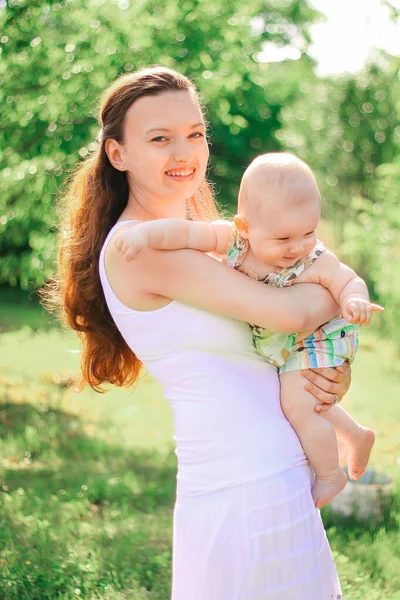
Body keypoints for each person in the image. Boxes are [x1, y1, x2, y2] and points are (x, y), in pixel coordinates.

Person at [47, 66, 353, 599]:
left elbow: (272, 344)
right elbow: (291, 312)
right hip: (244, 487)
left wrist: (327, 375)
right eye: (160, 138)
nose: (183, 151)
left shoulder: (205, 242)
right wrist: (342, 286)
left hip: (270, 475)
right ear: (118, 154)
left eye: (194, 134)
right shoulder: (140, 248)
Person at [114, 152, 380, 509]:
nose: (298, 247)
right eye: (283, 238)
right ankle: (355, 435)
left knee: (298, 404)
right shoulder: (233, 242)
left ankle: (331, 474)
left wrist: (354, 301)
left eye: (309, 232)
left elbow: (347, 280)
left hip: (322, 335)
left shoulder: (314, 258)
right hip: (285, 341)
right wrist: (145, 235)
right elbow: (187, 232)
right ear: (244, 228)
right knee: (302, 396)